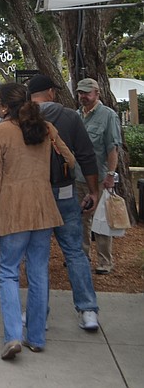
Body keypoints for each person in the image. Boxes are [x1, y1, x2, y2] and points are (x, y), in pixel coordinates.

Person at [0, 83, 74, 359]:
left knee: (9, 273)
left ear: (6, 106)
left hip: (11, 210)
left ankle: (12, 336)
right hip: (43, 207)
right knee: (38, 272)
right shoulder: (45, 128)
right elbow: (70, 158)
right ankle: (36, 337)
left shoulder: (0, 133)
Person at [27, 74, 101, 330]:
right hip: (65, 192)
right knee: (74, 252)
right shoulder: (71, 117)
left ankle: (38, 314)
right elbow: (86, 156)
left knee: (37, 256)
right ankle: (88, 310)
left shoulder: (21, 118)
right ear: (49, 92)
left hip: (33, 194)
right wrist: (93, 191)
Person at [76, 78, 123, 276]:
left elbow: (113, 148)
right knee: (80, 220)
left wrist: (111, 175)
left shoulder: (108, 116)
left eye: (87, 92)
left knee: (101, 221)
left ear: (97, 93)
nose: (83, 96)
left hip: (101, 177)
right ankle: (81, 257)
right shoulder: (76, 116)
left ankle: (104, 261)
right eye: (80, 93)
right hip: (78, 177)